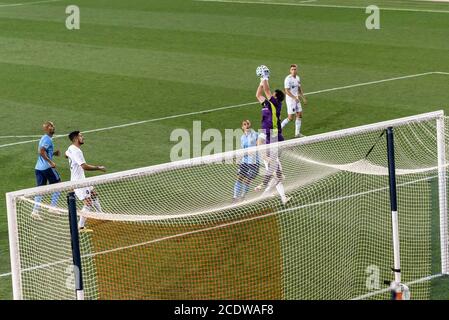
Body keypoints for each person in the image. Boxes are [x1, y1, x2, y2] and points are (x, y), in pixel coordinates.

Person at [255, 75, 290, 205]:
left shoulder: (276, 103)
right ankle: (279, 194)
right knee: (272, 164)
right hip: (266, 133)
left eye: (273, 95)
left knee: (272, 163)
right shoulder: (267, 103)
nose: (271, 96)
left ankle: (265, 187)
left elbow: (267, 90)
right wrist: (261, 81)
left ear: (276, 98)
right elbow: (259, 94)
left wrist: (265, 77)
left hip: (273, 134)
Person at [65, 131, 106, 232]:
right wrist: (98, 168)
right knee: (88, 203)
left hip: (81, 179)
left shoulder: (71, 148)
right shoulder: (77, 151)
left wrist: (68, 156)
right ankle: (81, 226)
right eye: (80, 136)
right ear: (75, 139)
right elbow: (84, 166)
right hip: (79, 183)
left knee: (94, 194)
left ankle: (101, 214)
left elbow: (66, 154)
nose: (83, 137)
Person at [32, 121, 62, 220]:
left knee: (40, 189)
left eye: (53, 125)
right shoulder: (47, 139)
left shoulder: (44, 138)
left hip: (38, 168)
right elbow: (41, 151)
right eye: (50, 126)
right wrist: (50, 162)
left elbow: (42, 151)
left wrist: (53, 153)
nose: (53, 127)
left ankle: (35, 211)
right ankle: (52, 207)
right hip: (46, 168)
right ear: (46, 129)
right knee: (58, 183)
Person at [233, 120, 259, 202]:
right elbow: (243, 149)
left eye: (248, 123)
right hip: (244, 161)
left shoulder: (254, 134)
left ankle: (243, 197)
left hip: (253, 162)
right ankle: (235, 197)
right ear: (242, 127)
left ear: (250, 125)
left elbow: (255, 143)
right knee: (239, 178)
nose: (247, 125)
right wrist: (240, 158)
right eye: (245, 124)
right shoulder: (242, 137)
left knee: (247, 180)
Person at [281, 64, 307, 137]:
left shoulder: (298, 78)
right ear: (290, 70)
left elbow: (299, 89)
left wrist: (303, 97)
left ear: (297, 70)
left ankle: (297, 133)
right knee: (290, 118)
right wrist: (294, 98)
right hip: (290, 100)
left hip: (296, 99)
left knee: (299, 114)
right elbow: (286, 91)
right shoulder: (288, 79)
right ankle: (278, 129)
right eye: (292, 69)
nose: (293, 71)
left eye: (295, 69)